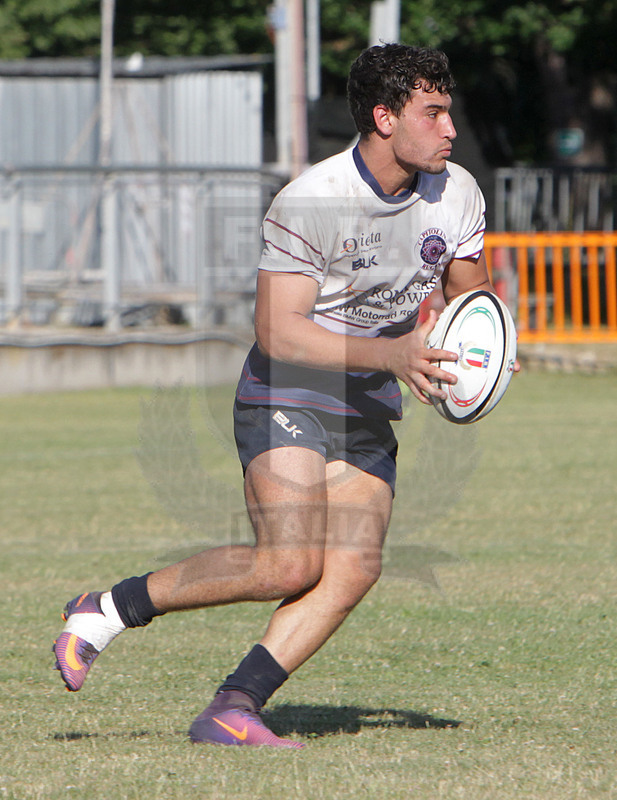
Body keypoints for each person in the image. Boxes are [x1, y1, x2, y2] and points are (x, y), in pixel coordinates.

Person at [53, 43, 504, 749]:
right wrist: (391, 354)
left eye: (449, 112)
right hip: (287, 387)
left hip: (366, 398)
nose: (450, 129)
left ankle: (233, 707)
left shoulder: (458, 193)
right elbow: (278, 330)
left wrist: (487, 353)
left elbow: (470, 293)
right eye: (433, 113)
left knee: (353, 568)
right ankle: (107, 609)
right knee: (286, 563)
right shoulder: (312, 200)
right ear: (384, 118)